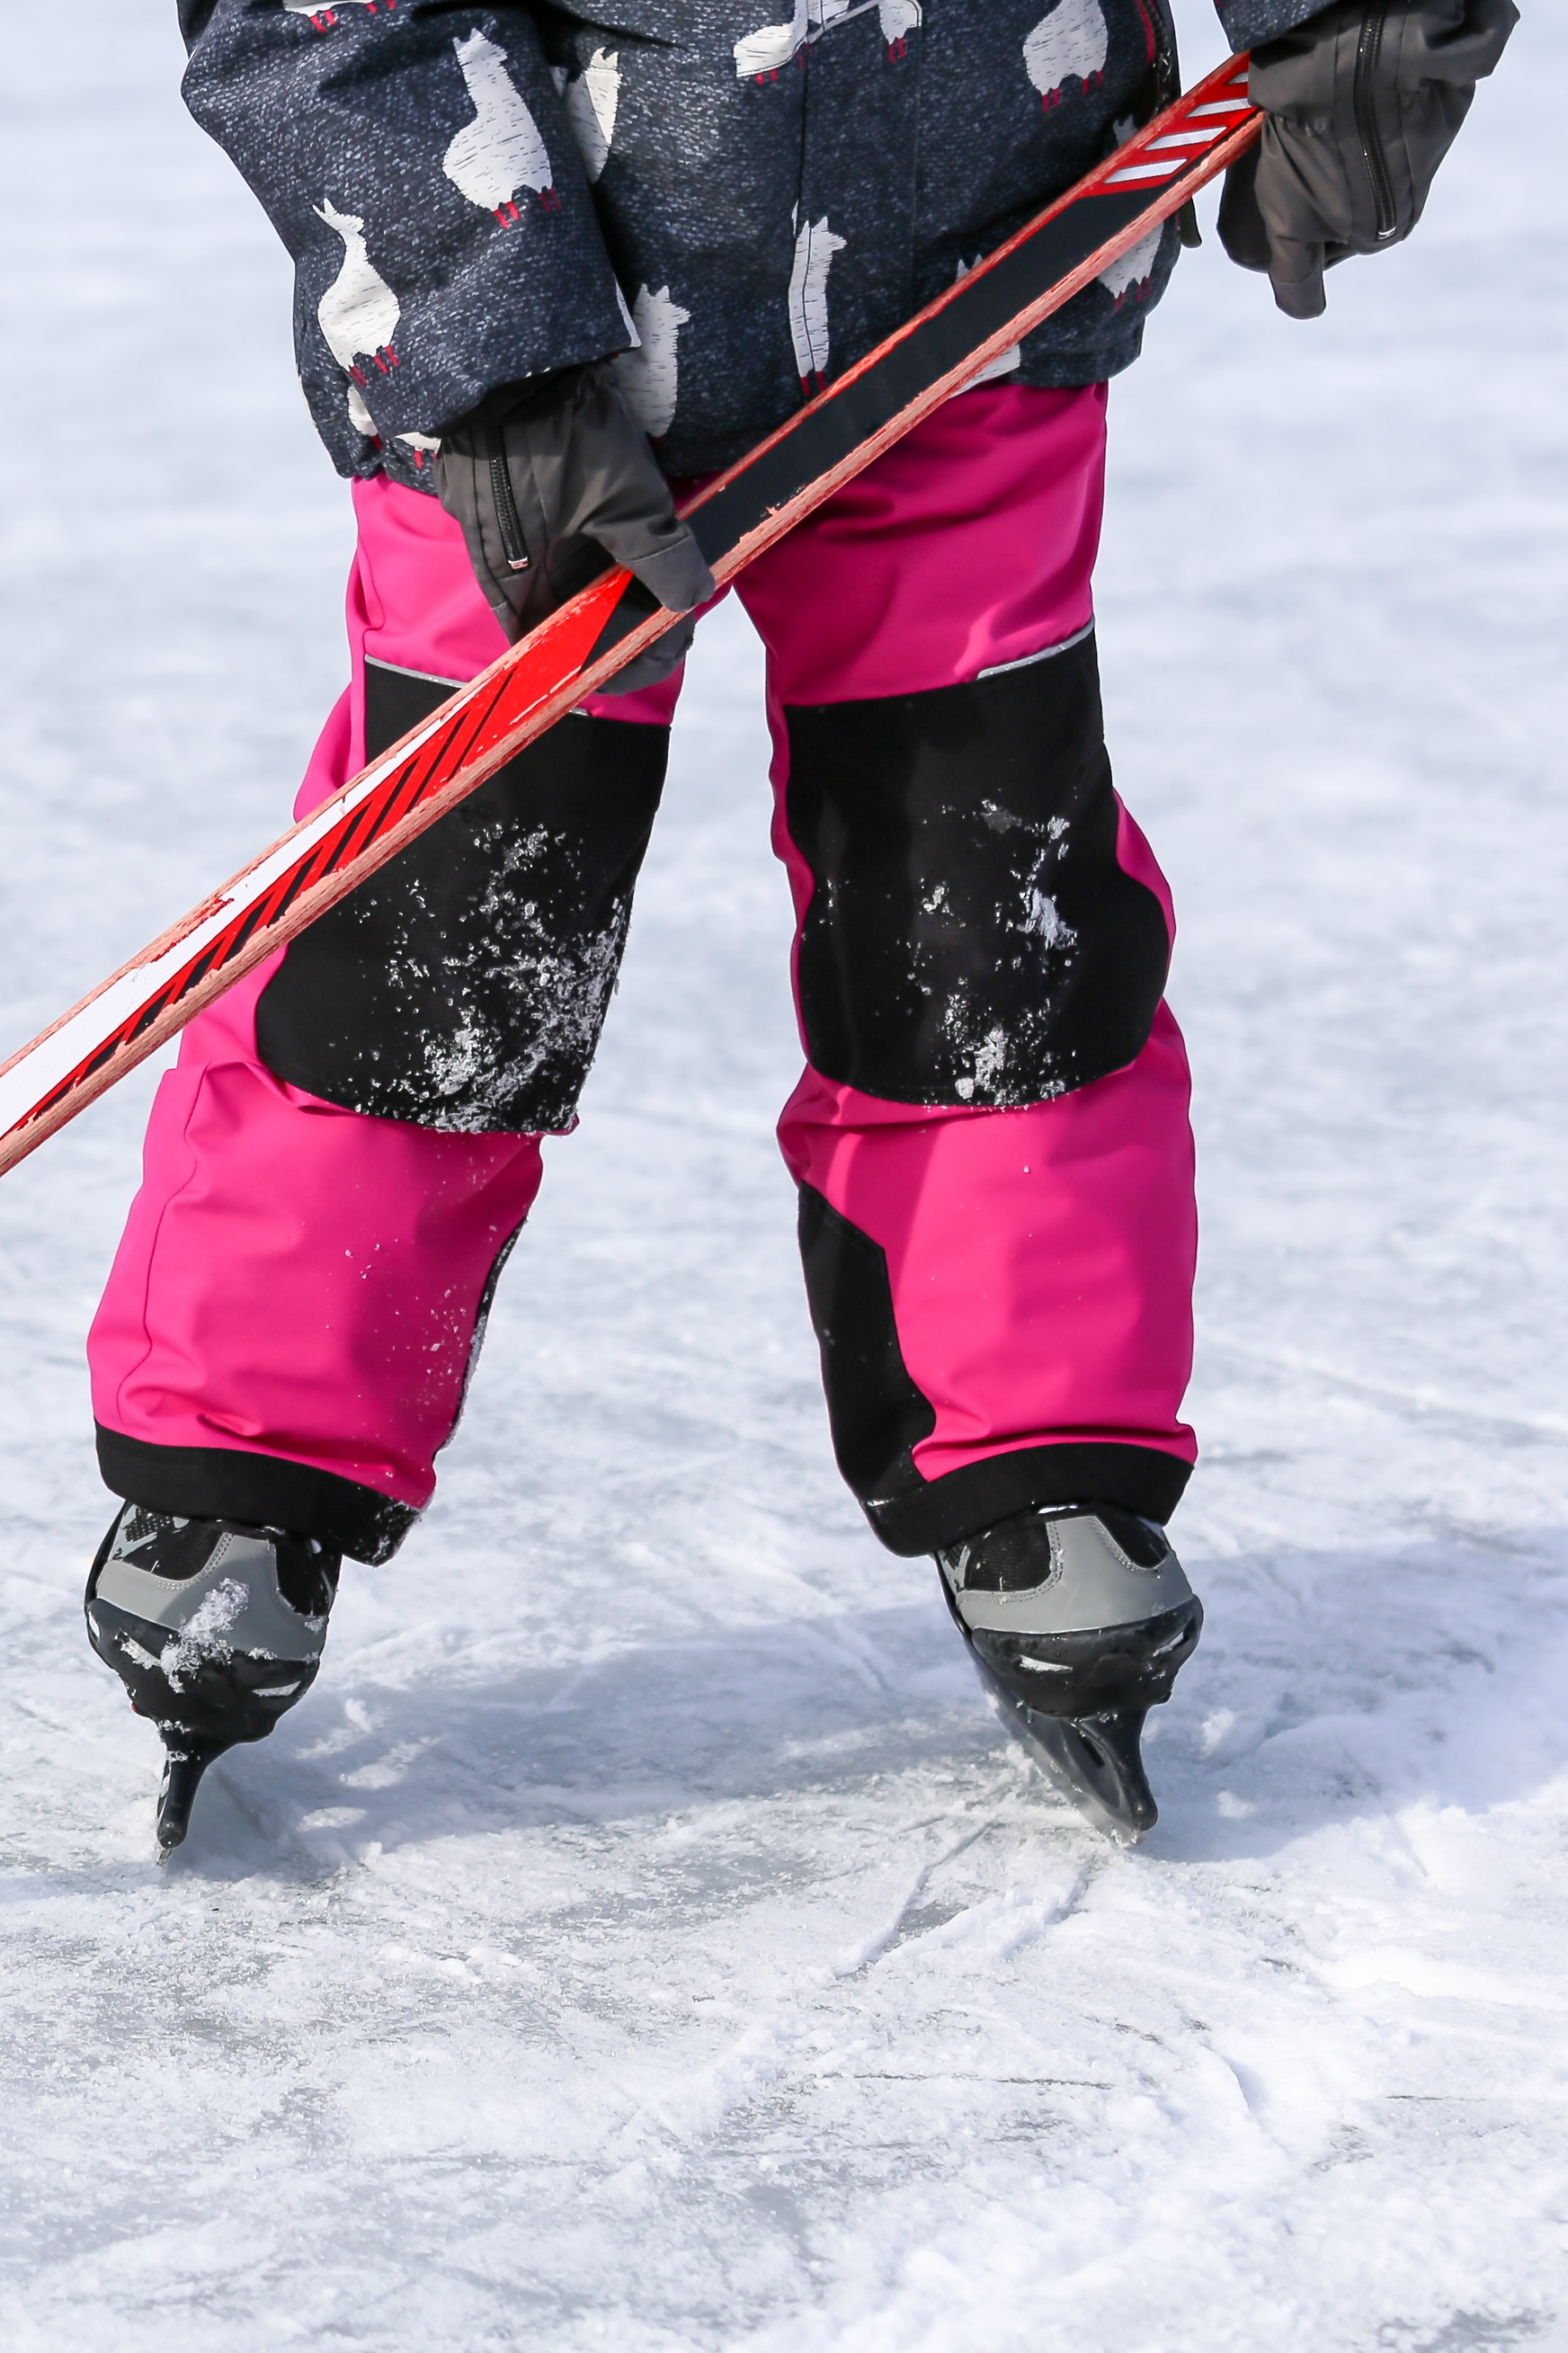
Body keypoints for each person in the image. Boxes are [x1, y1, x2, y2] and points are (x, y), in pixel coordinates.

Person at [85, 0, 1517, 1847]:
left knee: (979, 880)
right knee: (450, 919)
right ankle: (251, 1459)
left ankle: (1033, 1447)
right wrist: (478, 333)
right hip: (549, 337)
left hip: (984, 257)